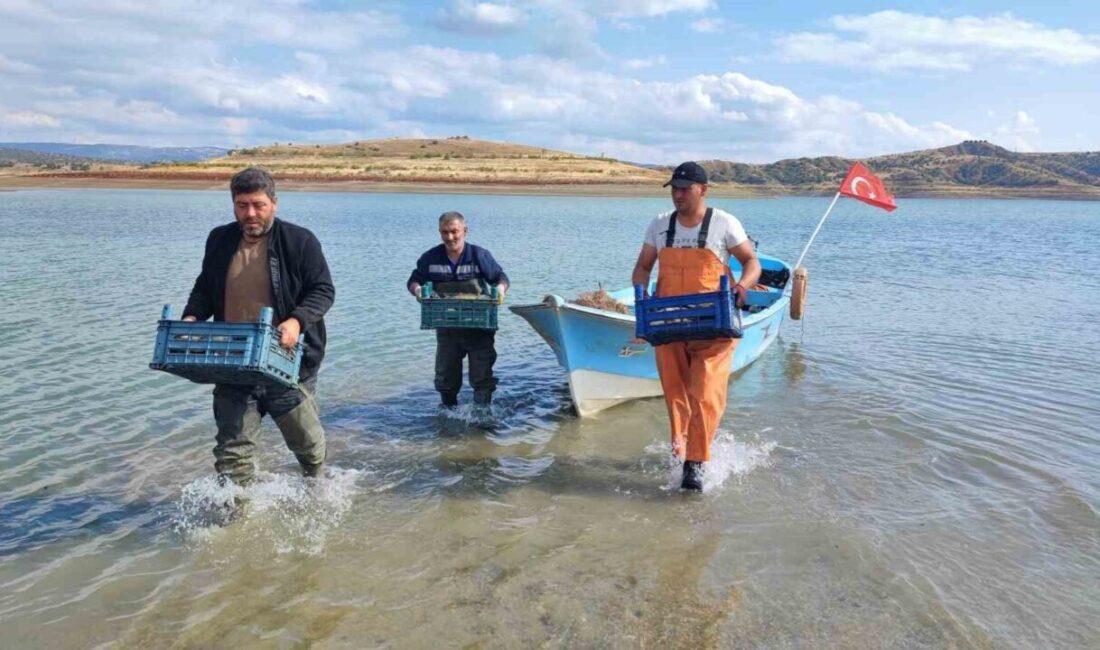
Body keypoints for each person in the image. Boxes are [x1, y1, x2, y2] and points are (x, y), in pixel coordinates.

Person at [182, 167, 335, 485]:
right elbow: (204, 288)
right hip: (233, 360)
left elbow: (323, 291)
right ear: (233, 204)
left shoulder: (299, 240)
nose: (250, 213)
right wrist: (191, 317)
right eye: (242, 205)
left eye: (258, 205)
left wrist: (297, 320)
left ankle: (317, 486)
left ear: (274, 203)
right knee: (231, 455)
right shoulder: (220, 239)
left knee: (307, 447)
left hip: (288, 360)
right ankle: (234, 521)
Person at [631, 162, 761, 491]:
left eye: (685, 188)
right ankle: (681, 454)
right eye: (674, 188)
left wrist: (743, 286)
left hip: (714, 325)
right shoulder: (659, 225)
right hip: (669, 323)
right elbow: (643, 267)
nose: (678, 194)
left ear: (703, 190)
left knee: (704, 395)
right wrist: (641, 296)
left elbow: (751, 262)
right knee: (676, 395)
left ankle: (696, 462)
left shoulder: (724, 223)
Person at [408, 211, 509, 409]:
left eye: (454, 231)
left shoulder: (479, 256)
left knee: (482, 377)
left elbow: (500, 277)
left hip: (480, 328)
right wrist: (417, 290)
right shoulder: (431, 257)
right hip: (447, 327)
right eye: (445, 232)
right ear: (440, 232)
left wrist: (500, 289)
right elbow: (413, 280)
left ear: (465, 230)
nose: (450, 237)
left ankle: (482, 415)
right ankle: (447, 416)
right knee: (446, 377)